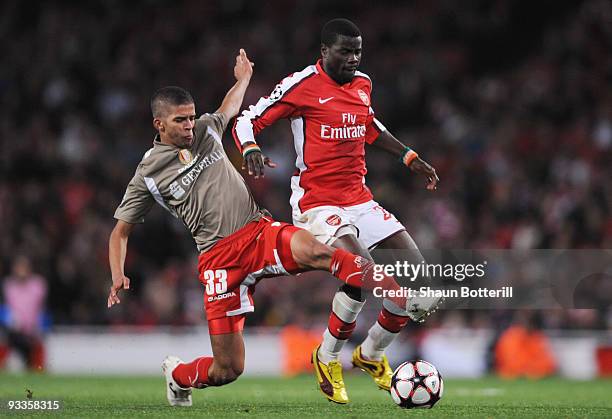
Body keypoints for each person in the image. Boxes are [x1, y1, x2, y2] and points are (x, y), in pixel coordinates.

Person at [107, 49, 430, 407]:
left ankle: (394, 296)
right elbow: (120, 230)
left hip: (258, 232)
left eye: (192, 117)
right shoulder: (147, 175)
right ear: (160, 125)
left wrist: (242, 79)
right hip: (219, 260)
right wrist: (117, 273)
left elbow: (229, 111)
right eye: (181, 120)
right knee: (227, 369)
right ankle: (178, 376)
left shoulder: (205, 130)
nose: (189, 126)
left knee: (323, 252)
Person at [232, 18, 442, 403]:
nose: (353, 58)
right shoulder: (301, 85)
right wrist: (250, 148)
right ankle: (327, 357)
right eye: (345, 51)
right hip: (318, 201)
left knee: (421, 278)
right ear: (325, 52)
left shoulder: (362, 84)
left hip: (359, 198)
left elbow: (368, 125)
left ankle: (370, 354)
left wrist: (408, 156)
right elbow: (247, 119)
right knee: (363, 273)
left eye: (357, 51)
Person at [0, 255, 48, 371]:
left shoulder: (38, 285)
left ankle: (38, 369)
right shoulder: (8, 285)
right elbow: (4, 308)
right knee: (3, 339)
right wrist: (10, 319)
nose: (21, 271)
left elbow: (42, 308)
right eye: (18, 268)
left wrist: (39, 326)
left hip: (32, 331)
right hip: (13, 330)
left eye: (24, 268)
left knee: (37, 347)